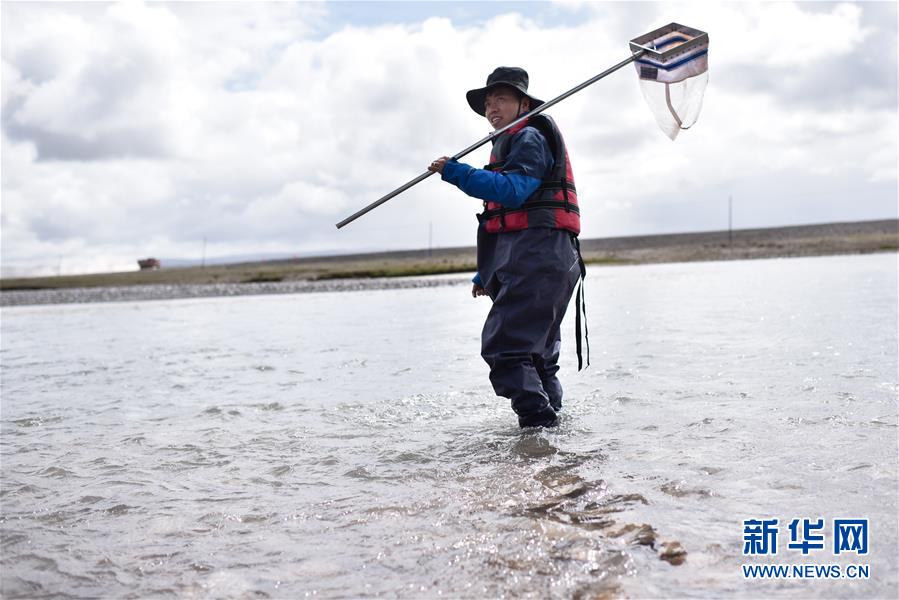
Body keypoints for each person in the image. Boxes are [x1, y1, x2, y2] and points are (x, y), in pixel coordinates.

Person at [428, 66, 584, 428]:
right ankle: (552, 436)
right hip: (545, 256)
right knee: (537, 355)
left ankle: (538, 430)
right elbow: (507, 218)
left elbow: (513, 192)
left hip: (540, 255)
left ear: (523, 103)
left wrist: (456, 172)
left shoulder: (529, 137)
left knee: (506, 349)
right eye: (488, 103)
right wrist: (487, 271)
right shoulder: (514, 141)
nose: (492, 108)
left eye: (501, 98)